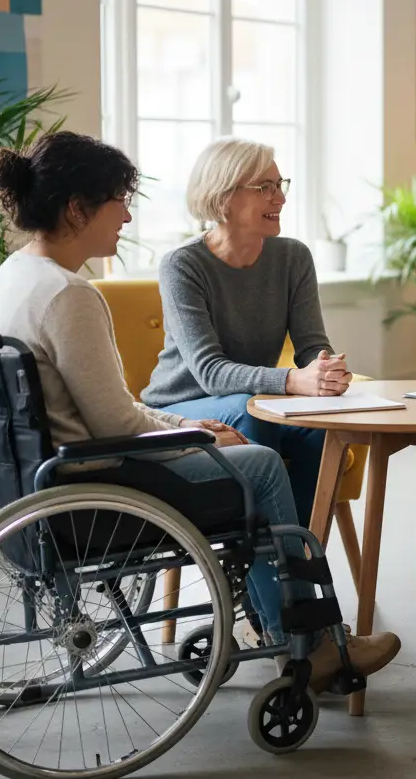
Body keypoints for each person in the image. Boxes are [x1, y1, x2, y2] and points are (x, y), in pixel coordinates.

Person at [0, 131, 400, 689]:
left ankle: (280, 612)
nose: (127, 216)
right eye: (119, 200)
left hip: (51, 474)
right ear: (78, 209)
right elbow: (119, 423)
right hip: (100, 477)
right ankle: (306, 641)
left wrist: (192, 427)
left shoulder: (16, 277)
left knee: (284, 437)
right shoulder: (70, 296)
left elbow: (116, 412)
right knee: (262, 463)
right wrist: (194, 432)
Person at [141, 138, 351, 528]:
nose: (281, 199)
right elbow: (210, 371)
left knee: (321, 431)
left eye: (280, 185)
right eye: (265, 188)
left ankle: (299, 553)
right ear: (224, 198)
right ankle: (265, 572)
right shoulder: (182, 265)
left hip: (252, 400)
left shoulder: (293, 257)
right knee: (251, 414)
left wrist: (324, 369)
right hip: (180, 407)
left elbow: (311, 344)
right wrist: (292, 380)